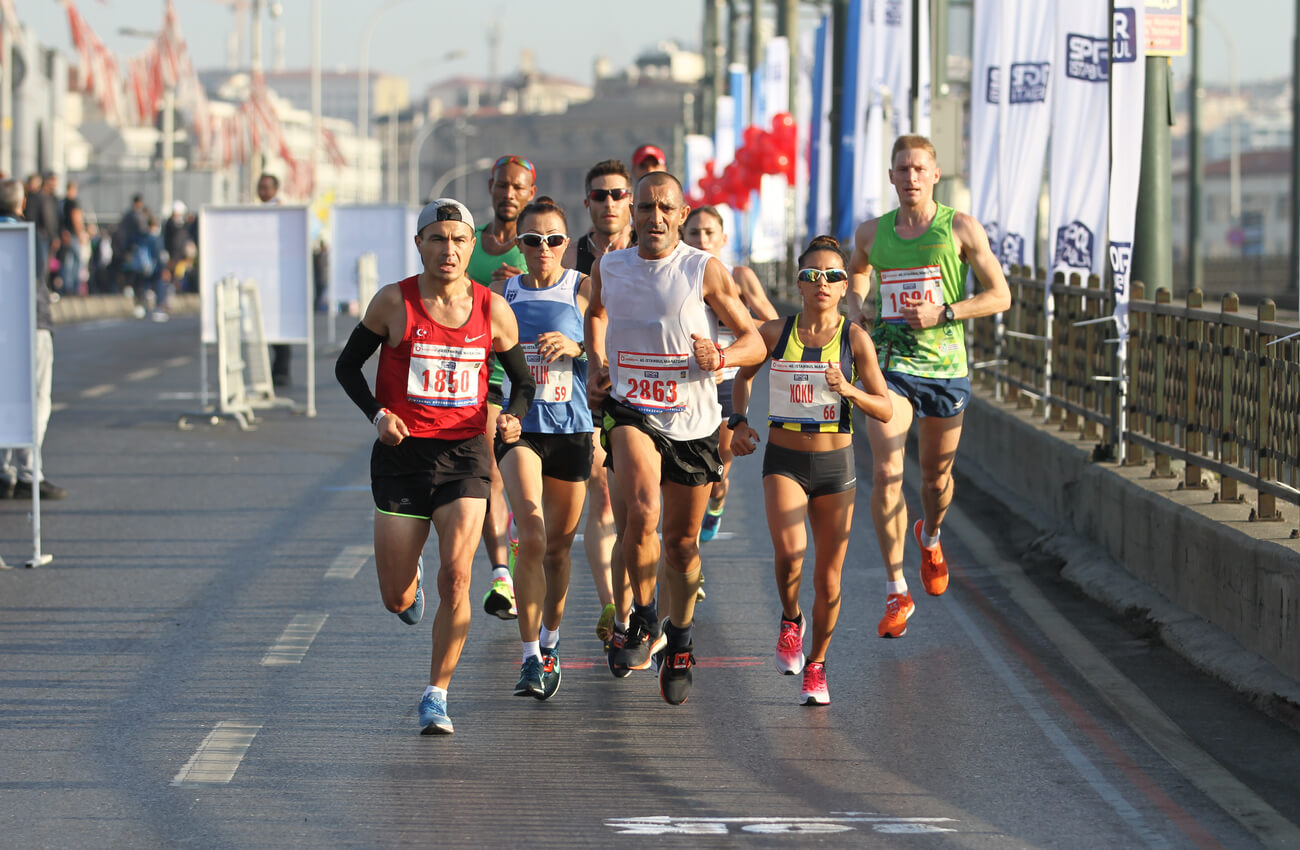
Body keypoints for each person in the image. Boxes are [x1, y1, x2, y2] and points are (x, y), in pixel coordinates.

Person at [334, 198, 536, 735]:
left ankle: (436, 694)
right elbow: (347, 366)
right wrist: (377, 414)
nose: (449, 250)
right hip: (402, 458)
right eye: (438, 239)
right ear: (420, 244)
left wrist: (513, 419)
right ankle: (409, 584)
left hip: (465, 456)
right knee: (395, 597)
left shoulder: (492, 310)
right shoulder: (392, 303)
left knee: (459, 575)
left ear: (473, 246)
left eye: (459, 240)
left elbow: (523, 383)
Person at [585, 171, 764, 705]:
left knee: (682, 546)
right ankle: (641, 617)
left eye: (665, 208)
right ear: (632, 214)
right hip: (630, 410)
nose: (654, 218)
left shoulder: (702, 270)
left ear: (682, 214)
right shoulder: (609, 266)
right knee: (639, 511)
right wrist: (597, 363)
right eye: (644, 208)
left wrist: (723, 357)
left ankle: (680, 640)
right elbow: (596, 314)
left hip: (693, 421)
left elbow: (755, 341)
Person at [846, 134, 1010, 638]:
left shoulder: (959, 227)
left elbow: (999, 295)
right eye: (902, 169)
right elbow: (856, 275)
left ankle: (931, 534)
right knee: (888, 470)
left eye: (919, 169)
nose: (911, 177)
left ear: (934, 175)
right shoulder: (873, 233)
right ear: (891, 177)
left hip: (945, 369)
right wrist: (858, 311)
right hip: (891, 367)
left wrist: (944, 312)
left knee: (936, 482)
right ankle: (897, 589)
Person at [730, 236, 893, 705]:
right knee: (790, 551)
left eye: (833, 276)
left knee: (830, 578)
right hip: (783, 459)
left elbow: (883, 408)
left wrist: (850, 391)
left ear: (845, 287)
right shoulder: (774, 333)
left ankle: (817, 665)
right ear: (799, 283)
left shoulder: (855, 339)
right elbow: (741, 378)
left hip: (834, 465)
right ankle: (789, 619)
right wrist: (738, 420)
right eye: (811, 275)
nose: (822, 283)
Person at [493, 197, 592, 700]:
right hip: (521, 428)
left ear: (566, 243)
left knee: (557, 548)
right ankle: (531, 656)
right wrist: (496, 411)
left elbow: (610, 344)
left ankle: (551, 642)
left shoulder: (582, 288)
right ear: (519, 243)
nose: (543, 249)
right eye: (532, 240)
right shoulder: (502, 293)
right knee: (530, 531)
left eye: (553, 240)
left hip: (573, 427)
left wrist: (577, 349)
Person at [561, 159, 636, 650]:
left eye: (616, 194)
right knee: (603, 496)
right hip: (590, 389)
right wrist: (578, 349)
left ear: (629, 199)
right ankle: (613, 606)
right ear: (587, 203)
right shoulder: (569, 255)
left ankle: (639, 603)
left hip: (652, 391)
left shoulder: (654, 245)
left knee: (639, 505)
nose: (608, 203)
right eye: (599, 195)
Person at [466, 155, 538, 622]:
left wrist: (525, 287)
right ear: (490, 188)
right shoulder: (468, 245)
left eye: (518, 187)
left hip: (537, 379)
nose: (508, 194)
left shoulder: (539, 246)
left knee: (537, 493)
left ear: (531, 193)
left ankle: (527, 553)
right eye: (502, 185)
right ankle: (500, 575)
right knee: (491, 472)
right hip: (482, 376)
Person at [682, 206, 779, 543]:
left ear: (724, 238)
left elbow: (773, 328)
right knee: (685, 476)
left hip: (728, 383)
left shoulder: (739, 277)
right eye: (694, 232)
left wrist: (729, 342)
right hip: (686, 382)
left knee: (718, 476)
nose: (702, 239)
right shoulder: (676, 275)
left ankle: (718, 503)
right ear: (683, 237)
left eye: (709, 232)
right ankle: (686, 553)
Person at [0, 178, 66, 501]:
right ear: (21, 204)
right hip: (33, 324)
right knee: (37, 400)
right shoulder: (27, 235)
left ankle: (6, 472)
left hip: (4, 327)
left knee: (6, 398)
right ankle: (30, 473)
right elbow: (37, 273)